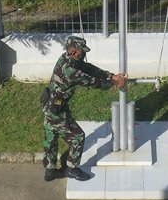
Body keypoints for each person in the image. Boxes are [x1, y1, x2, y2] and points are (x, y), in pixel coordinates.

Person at [41, 35, 126, 182]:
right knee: (77, 137)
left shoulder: (66, 59)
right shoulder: (70, 71)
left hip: (50, 105)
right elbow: (94, 82)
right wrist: (114, 82)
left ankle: (50, 171)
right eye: (82, 52)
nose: (84, 55)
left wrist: (111, 75)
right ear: (74, 51)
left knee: (51, 137)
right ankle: (72, 169)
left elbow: (88, 68)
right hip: (57, 111)